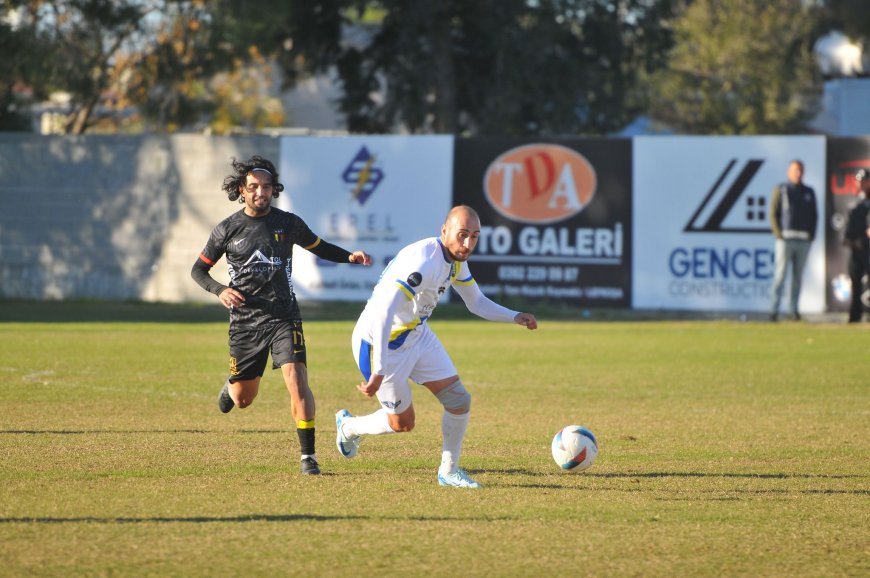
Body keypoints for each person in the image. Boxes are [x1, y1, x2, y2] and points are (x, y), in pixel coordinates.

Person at [191, 155, 372, 475]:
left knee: (297, 379)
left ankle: (308, 457)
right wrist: (220, 290)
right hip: (245, 322)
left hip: (284, 317)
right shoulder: (227, 229)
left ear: (274, 189)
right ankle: (232, 386)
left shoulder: (288, 223)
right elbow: (198, 270)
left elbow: (319, 247)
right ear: (241, 191)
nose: (260, 192)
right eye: (253, 187)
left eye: (266, 186)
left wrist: (350, 257)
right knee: (244, 398)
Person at [334, 205, 538, 488]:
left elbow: (475, 301)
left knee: (458, 401)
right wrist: (379, 368)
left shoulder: (454, 259)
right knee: (402, 424)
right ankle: (349, 427)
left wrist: (514, 316)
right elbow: (383, 313)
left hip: (417, 335)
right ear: (444, 231)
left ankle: (449, 471)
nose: (468, 244)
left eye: (475, 236)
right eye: (462, 235)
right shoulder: (425, 262)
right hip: (381, 344)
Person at [769, 159, 818, 321]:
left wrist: (811, 235)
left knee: (797, 277)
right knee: (780, 275)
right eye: (795, 170)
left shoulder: (808, 192)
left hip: (803, 240)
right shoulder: (782, 189)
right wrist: (778, 234)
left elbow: (814, 215)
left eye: (800, 170)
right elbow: (773, 213)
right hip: (786, 239)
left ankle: (793, 310)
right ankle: (773, 310)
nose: (798, 173)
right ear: (789, 172)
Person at [843, 168, 870, 323]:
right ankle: (855, 315)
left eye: (865, 181)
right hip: (856, 248)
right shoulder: (853, 203)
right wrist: (852, 241)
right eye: (860, 181)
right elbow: (847, 230)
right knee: (855, 282)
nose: (863, 184)